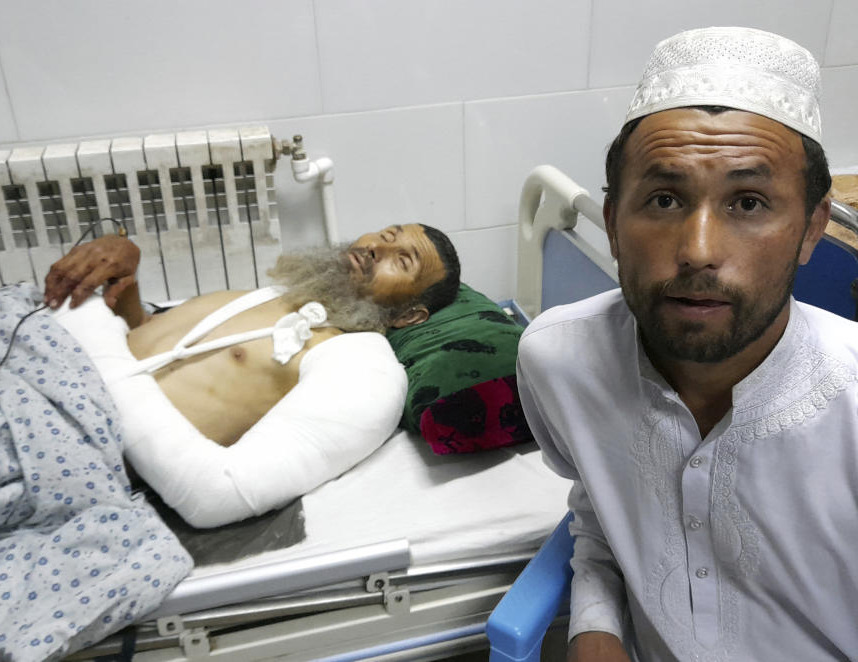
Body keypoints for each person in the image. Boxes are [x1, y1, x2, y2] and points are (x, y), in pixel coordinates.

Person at [516, 27, 857, 661]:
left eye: (749, 202)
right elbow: (600, 515)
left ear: (811, 230)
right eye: (665, 198)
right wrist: (595, 627)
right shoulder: (558, 361)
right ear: (614, 222)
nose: (698, 250)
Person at [43, 223, 460, 527]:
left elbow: (216, 495)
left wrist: (90, 326)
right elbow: (150, 348)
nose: (375, 249)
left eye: (401, 261)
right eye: (384, 237)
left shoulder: (362, 365)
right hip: (25, 371)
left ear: (409, 315)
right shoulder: (281, 296)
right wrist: (122, 281)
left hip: (53, 443)